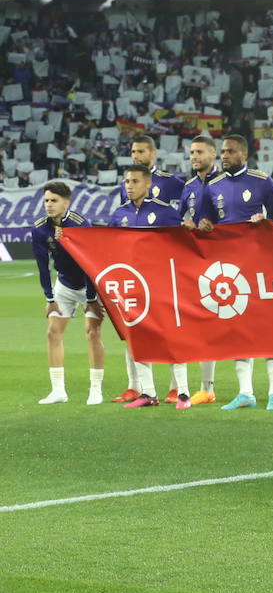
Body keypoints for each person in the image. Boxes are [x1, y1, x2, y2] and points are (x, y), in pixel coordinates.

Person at [191, 134, 273, 411]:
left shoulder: (263, 181)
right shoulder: (212, 185)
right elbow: (204, 221)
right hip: (229, 268)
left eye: (230, 151)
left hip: (261, 266)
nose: (224, 156)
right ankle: (246, 392)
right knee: (237, 328)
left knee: (267, 329)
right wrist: (203, 223)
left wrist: (266, 221)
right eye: (223, 151)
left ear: (244, 154)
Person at [108, 134, 184, 404]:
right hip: (135, 274)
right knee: (134, 330)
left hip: (163, 273)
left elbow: (183, 221)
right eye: (132, 150)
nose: (135, 155)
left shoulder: (172, 183)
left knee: (169, 331)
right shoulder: (126, 191)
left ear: (153, 154)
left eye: (140, 151)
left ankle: (177, 388)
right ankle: (137, 386)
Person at [33, 181, 104, 406]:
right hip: (63, 286)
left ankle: (95, 390)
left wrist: (92, 299)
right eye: (46, 200)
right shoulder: (39, 228)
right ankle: (58, 391)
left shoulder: (81, 225)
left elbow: (91, 265)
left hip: (88, 286)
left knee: (92, 334)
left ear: (67, 202)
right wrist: (49, 298)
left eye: (54, 200)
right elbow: (43, 267)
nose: (49, 205)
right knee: (53, 334)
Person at [178, 134, 221, 404]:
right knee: (203, 325)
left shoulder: (227, 183)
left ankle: (248, 389)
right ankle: (206, 388)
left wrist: (218, 229)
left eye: (199, 152)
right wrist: (187, 225)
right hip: (198, 262)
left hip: (228, 261)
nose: (194, 157)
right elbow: (181, 218)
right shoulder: (189, 186)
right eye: (192, 152)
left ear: (213, 155)